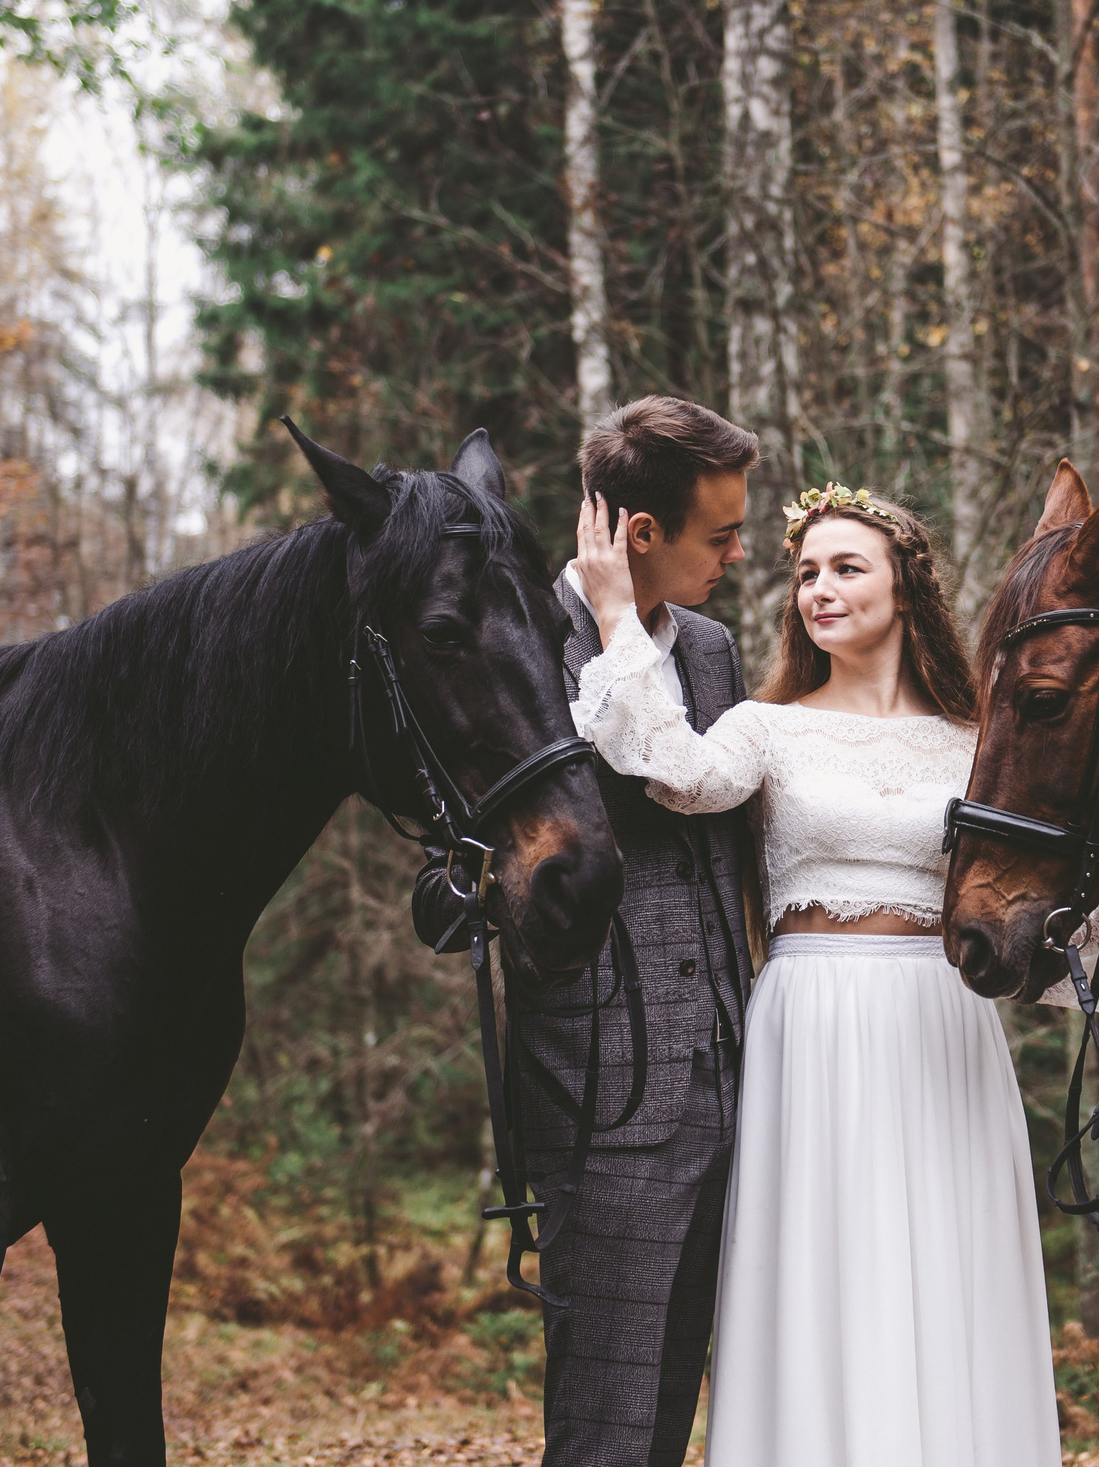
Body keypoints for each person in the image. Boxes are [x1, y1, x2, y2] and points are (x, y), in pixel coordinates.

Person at [571, 480, 1099, 1467]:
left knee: (944, 1264)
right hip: (810, 1019)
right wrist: (614, 613)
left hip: (941, 1021)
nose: (820, 590)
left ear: (904, 585)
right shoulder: (768, 726)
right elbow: (674, 770)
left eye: (847, 567)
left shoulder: (978, 743)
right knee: (823, 1270)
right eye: (806, 572)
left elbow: (1022, 905)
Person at [412, 395, 759, 1467]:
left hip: (738, 1079)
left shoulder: (710, 650)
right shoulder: (514, 641)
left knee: (678, 1411)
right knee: (604, 1424)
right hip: (601, 1086)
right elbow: (443, 877)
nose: (741, 553)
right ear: (638, 533)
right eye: (722, 533)